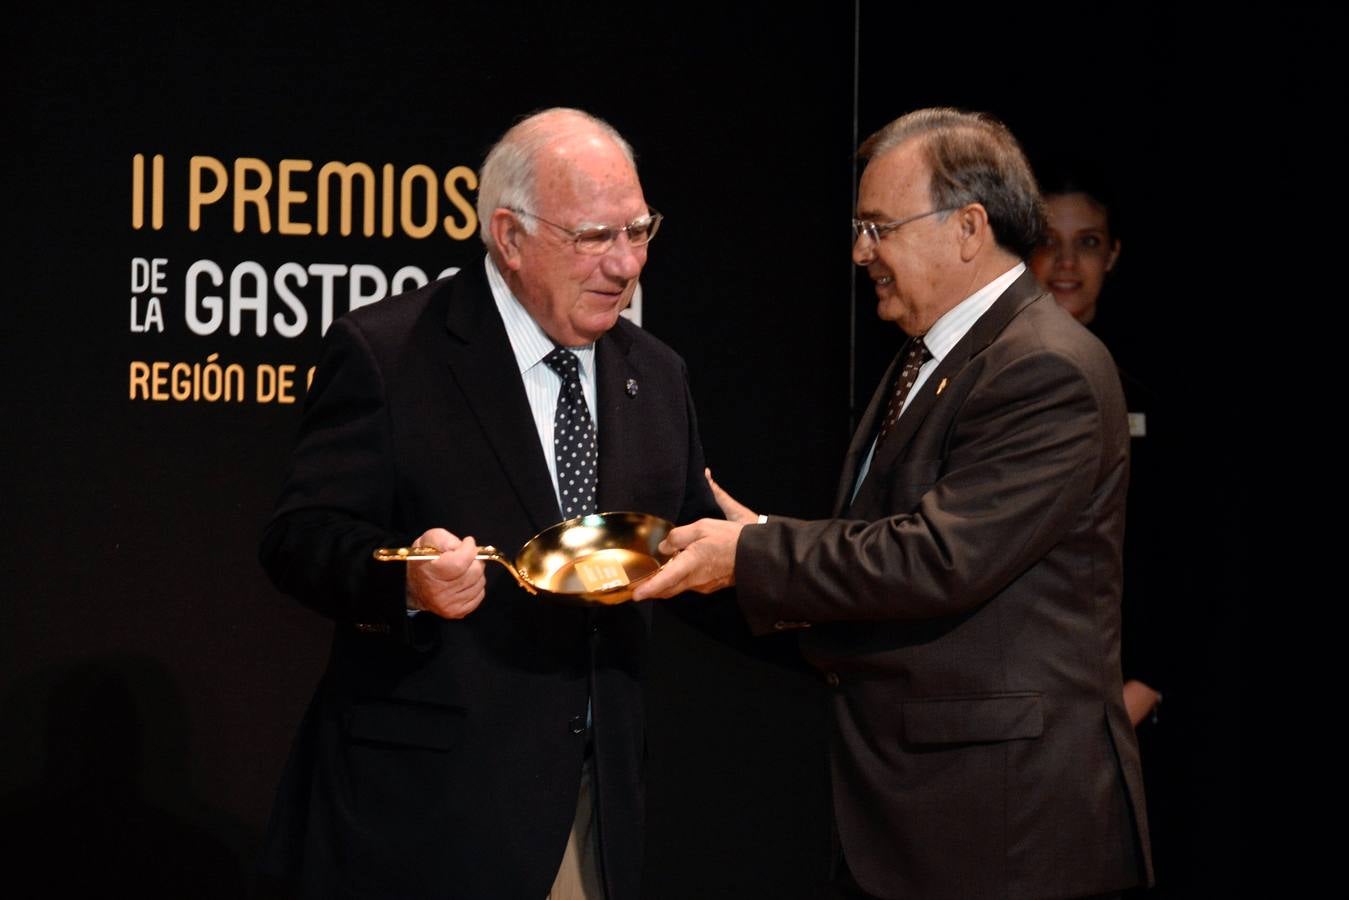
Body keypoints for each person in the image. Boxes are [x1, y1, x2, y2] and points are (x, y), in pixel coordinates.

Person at [635, 108, 1153, 899]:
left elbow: (939, 557)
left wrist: (753, 554)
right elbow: (888, 540)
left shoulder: (1044, 368)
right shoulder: (935, 354)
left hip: (1004, 835)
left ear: (968, 228)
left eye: (878, 227)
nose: (859, 252)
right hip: (925, 816)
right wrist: (767, 538)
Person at [256, 107, 717, 900]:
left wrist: (784, 567)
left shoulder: (657, 373)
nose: (625, 264)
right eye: (594, 237)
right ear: (508, 235)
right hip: (430, 816)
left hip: (594, 811)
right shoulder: (392, 353)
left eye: (638, 231)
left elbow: (685, 548)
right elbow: (300, 537)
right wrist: (405, 580)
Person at [1029, 165, 1165, 729]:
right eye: (1047, 242)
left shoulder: (1145, 393)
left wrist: (1140, 690)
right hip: (1015, 693)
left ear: (1111, 255)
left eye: (1085, 243)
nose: (1065, 263)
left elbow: (1179, 553)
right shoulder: (979, 382)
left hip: (1117, 697)